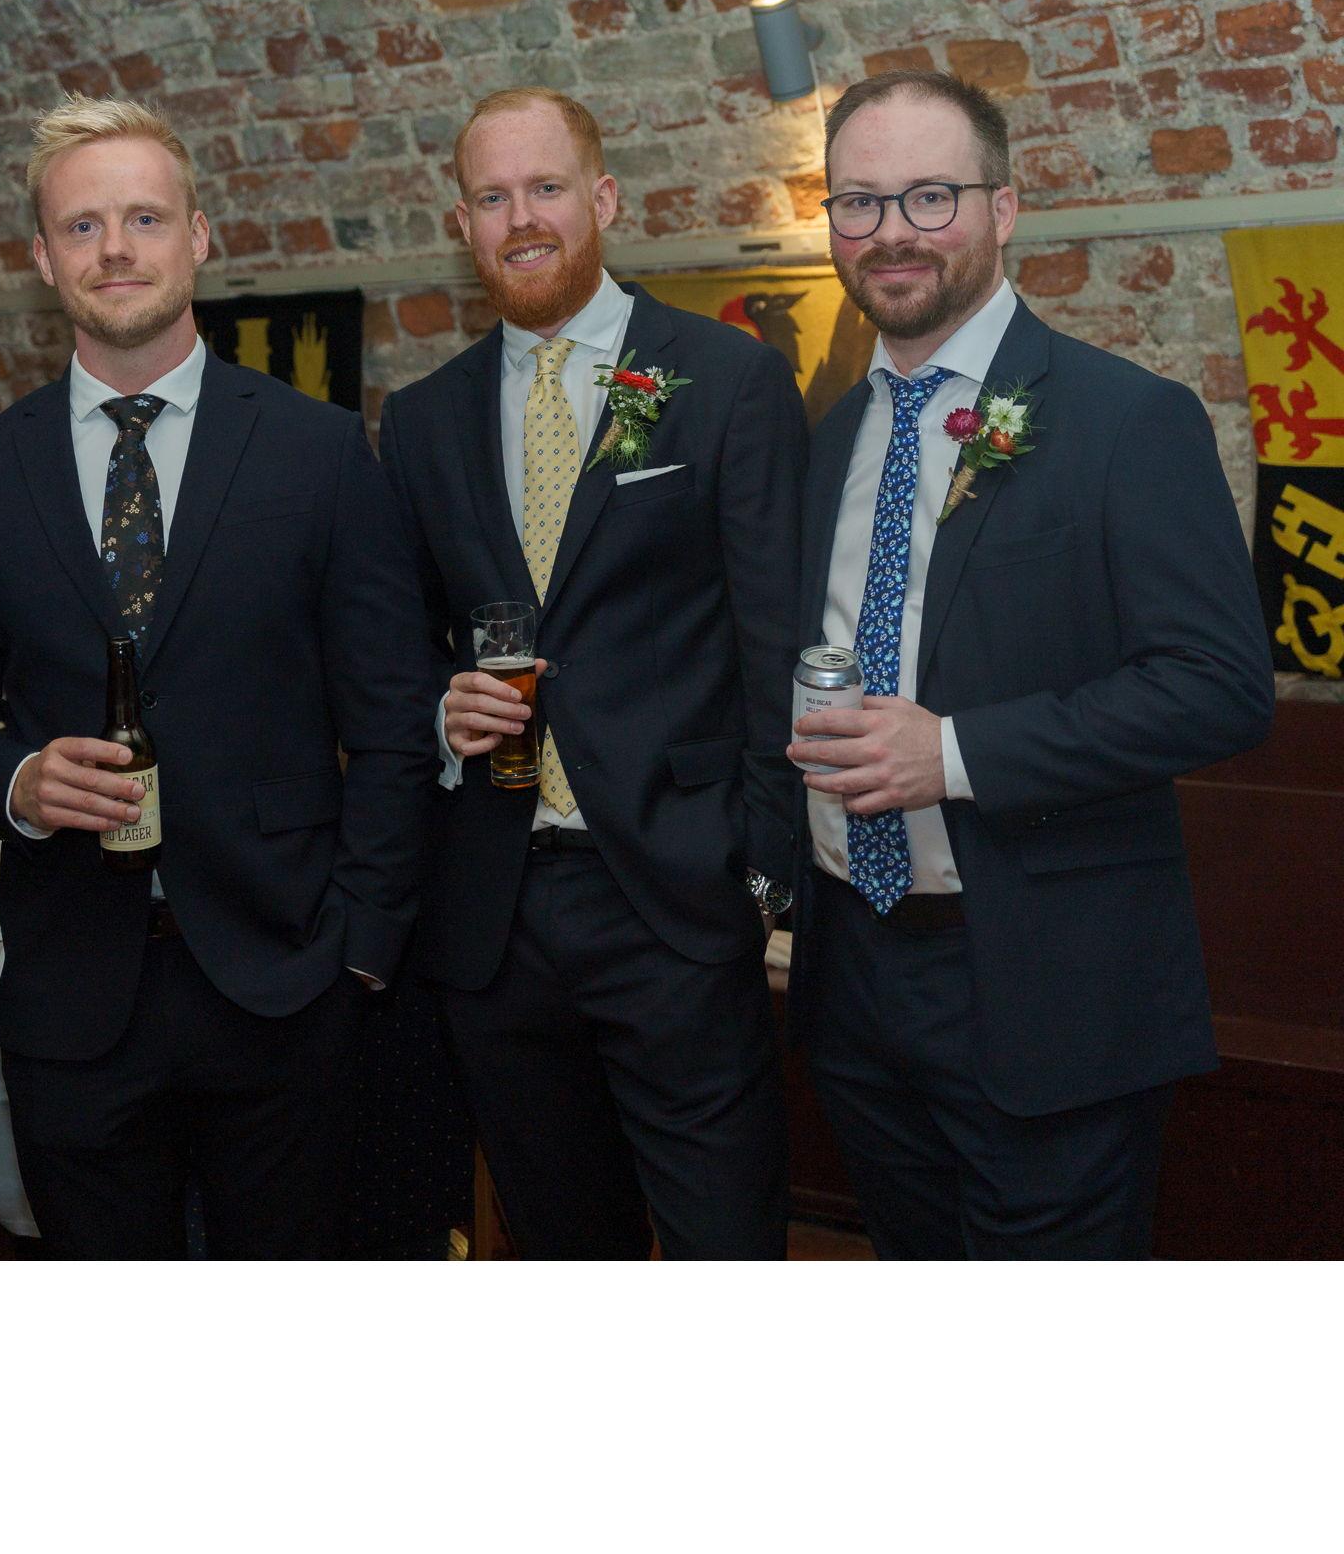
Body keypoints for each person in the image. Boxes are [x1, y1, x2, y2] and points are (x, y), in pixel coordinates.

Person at [0, 95, 433, 1258]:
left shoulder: (315, 450)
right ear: (41, 256)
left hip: (287, 979)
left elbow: (393, 720)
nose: (115, 248)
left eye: (144, 217)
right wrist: (16, 781)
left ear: (197, 236)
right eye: (82, 225)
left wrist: (361, 946)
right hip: (70, 992)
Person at [785, 67, 1275, 1259]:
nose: (891, 231)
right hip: (855, 977)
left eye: (929, 196)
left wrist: (950, 753)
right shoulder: (828, 435)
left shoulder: (1123, 419)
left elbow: (1216, 686)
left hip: (1044, 986)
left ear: (1002, 209)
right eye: (858, 202)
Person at [377, 87, 806, 1259]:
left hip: (676, 899)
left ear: (602, 198)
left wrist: (760, 878)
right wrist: (434, 707)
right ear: (462, 224)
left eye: (545, 188)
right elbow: (393, 651)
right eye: (491, 197)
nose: (520, 218)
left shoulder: (719, 379)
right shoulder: (421, 420)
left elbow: (775, 643)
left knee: (724, 1245)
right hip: (494, 913)